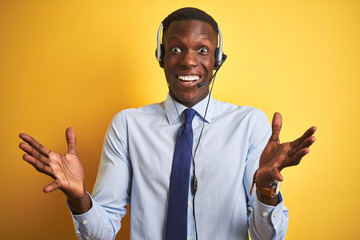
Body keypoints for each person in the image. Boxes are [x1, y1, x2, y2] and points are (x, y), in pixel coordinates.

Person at [19, 7, 316, 240]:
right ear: (161, 56)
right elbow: (101, 234)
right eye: (175, 48)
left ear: (218, 60)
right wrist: (79, 197)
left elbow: (267, 237)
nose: (188, 61)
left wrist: (266, 189)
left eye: (202, 50)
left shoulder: (249, 124)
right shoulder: (127, 126)